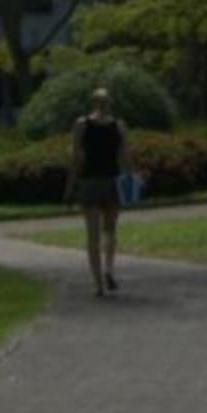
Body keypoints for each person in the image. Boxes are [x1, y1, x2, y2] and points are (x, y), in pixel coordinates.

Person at [64, 86, 133, 297]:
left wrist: (70, 186)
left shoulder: (82, 124)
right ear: (110, 103)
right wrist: (129, 182)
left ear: (93, 103)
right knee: (110, 230)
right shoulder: (119, 126)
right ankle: (109, 269)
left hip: (90, 182)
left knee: (92, 235)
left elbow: (76, 158)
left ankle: (98, 284)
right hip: (112, 181)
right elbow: (124, 158)